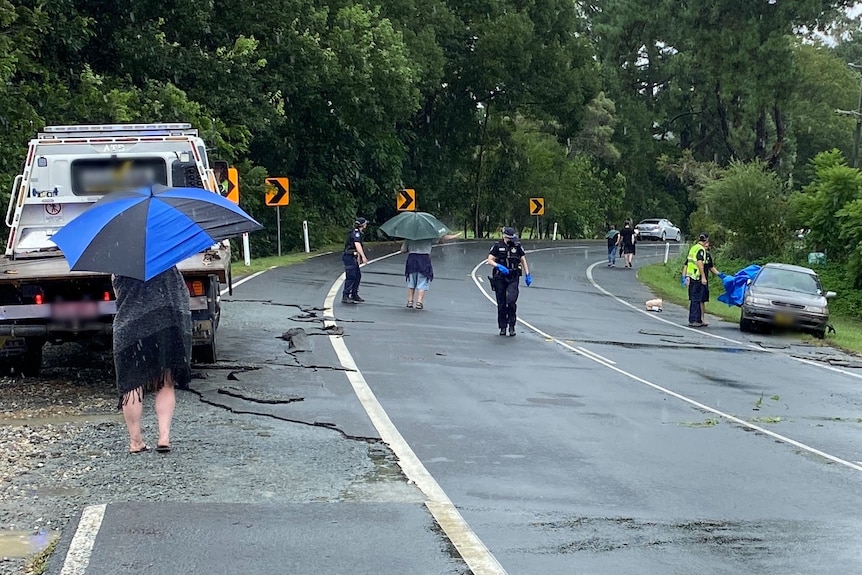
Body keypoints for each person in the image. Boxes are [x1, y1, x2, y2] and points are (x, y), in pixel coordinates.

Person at [112, 266, 192, 454]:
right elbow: (182, 294)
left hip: (130, 329)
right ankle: (164, 437)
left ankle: (135, 441)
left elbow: (118, 295)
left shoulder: (120, 264)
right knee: (165, 381)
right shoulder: (168, 263)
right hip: (165, 327)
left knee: (131, 386)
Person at [486, 227, 531, 336]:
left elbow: (523, 259)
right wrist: (499, 266)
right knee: (501, 303)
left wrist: (527, 274)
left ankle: (512, 325)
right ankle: (503, 327)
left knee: (511, 301)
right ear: (504, 236)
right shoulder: (497, 246)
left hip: (513, 276)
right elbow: (489, 260)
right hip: (500, 277)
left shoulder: (517, 246)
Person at [401, 231, 462, 310]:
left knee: (411, 281)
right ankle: (419, 302)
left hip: (412, 259)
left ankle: (410, 301)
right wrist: (454, 236)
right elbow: (441, 239)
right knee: (423, 280)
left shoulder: (409, 237)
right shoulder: (428, 236)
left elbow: (403, 250)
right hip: (424, 259)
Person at [682, 233, 723, 327]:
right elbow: (699, 263)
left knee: (696, 299)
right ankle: (695, 320)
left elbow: (688, 263)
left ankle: (698, 319)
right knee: (696, 299)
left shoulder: (694, 248)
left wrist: (684, 276)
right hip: (697, 278)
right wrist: (703, 277)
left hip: (692, 277)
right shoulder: (701, 250)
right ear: (706, 241)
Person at [342, 217, 369, 304]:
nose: (366, 225)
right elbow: (357, 245)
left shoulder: (359, 233)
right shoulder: (356, 233)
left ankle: (354, 294)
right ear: (362, 225)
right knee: (351, 276)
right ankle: (346, 295)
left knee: (357, 275)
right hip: (349, 256)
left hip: (353, 256)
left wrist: (358, 258)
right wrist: (363, 256)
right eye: (365, 224)